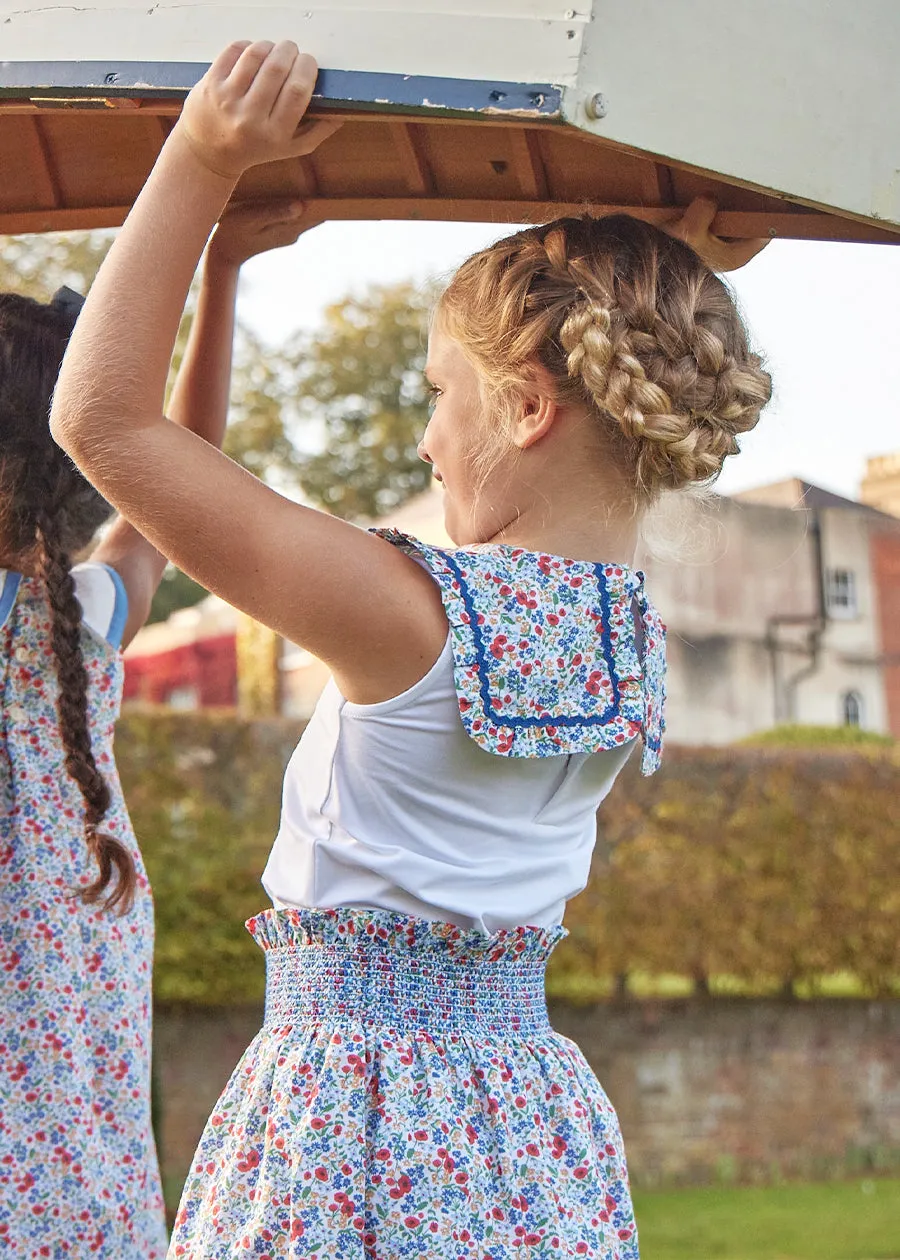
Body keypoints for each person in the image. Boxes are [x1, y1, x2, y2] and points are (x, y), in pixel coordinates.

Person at [49, 40, 772, 1259]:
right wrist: (667, 259)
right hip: (526, 1122)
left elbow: (99, 420)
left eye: (441, 393)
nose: (430, 439)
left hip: (357, 1122)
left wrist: (201, 155)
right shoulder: (625, 628)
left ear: (530, 407)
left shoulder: (408, 616)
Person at [0, 200, 310, 1257]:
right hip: (86, 1212)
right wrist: (219, 273)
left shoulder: (74, 632)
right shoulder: (76, 634)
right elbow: (172, 481)